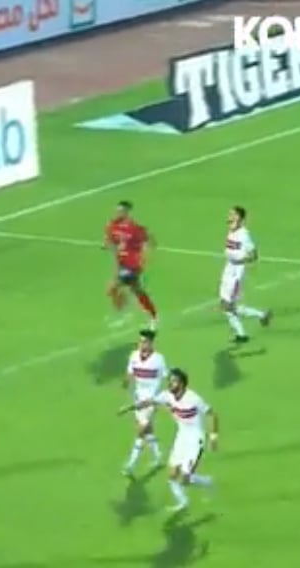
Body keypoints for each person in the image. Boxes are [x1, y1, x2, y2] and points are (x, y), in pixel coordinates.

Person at [119, 368, 218, 512]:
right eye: (170, 381)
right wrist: (129, 408)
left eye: (174, 381)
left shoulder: (193, 398)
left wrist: (213, 436)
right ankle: (183, 502)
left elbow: (212, 414)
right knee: (172, 476)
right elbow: (148, 402)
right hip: (181, 437)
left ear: (182, 384)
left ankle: (208, 482)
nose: (170, 384)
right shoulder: (167, 396)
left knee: (185, 479)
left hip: (196, 439)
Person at [219, 206, 272, 343]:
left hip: (236, 272)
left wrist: (242, 261)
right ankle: (243, 332)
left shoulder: (244, 234)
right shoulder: (231, 230)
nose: (229, 216)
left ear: (239, 217)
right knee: (225, 304)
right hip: (228, 268)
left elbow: (254, 255)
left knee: (228, 305)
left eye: (232, 214)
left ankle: (259, 317)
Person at [104, 201, 158, 329]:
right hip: (122, 263)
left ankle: (126, 315)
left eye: (121, 211)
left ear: (127, 212)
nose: (118, 213)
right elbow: (110, 241)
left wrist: (143, 255)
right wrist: (111, 246)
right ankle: (151, 316)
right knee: (136, 291)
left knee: (113, 288)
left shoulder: (135, 229)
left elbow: (151, 241)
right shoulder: (113, 226)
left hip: (132, 264)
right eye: (117, 210)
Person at [122, 329, 167, 476]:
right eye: (140, 341)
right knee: (147, 431)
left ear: (151, 343)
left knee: (140, 431)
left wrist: (161, 399)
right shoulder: (134, 356)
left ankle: (131, 464)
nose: (141, 344)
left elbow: (166, 378)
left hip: (151, 401)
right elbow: (130, 373)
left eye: (145, 342)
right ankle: (158, 456)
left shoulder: (159, 359)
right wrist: (126, 383)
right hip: (138, 399)